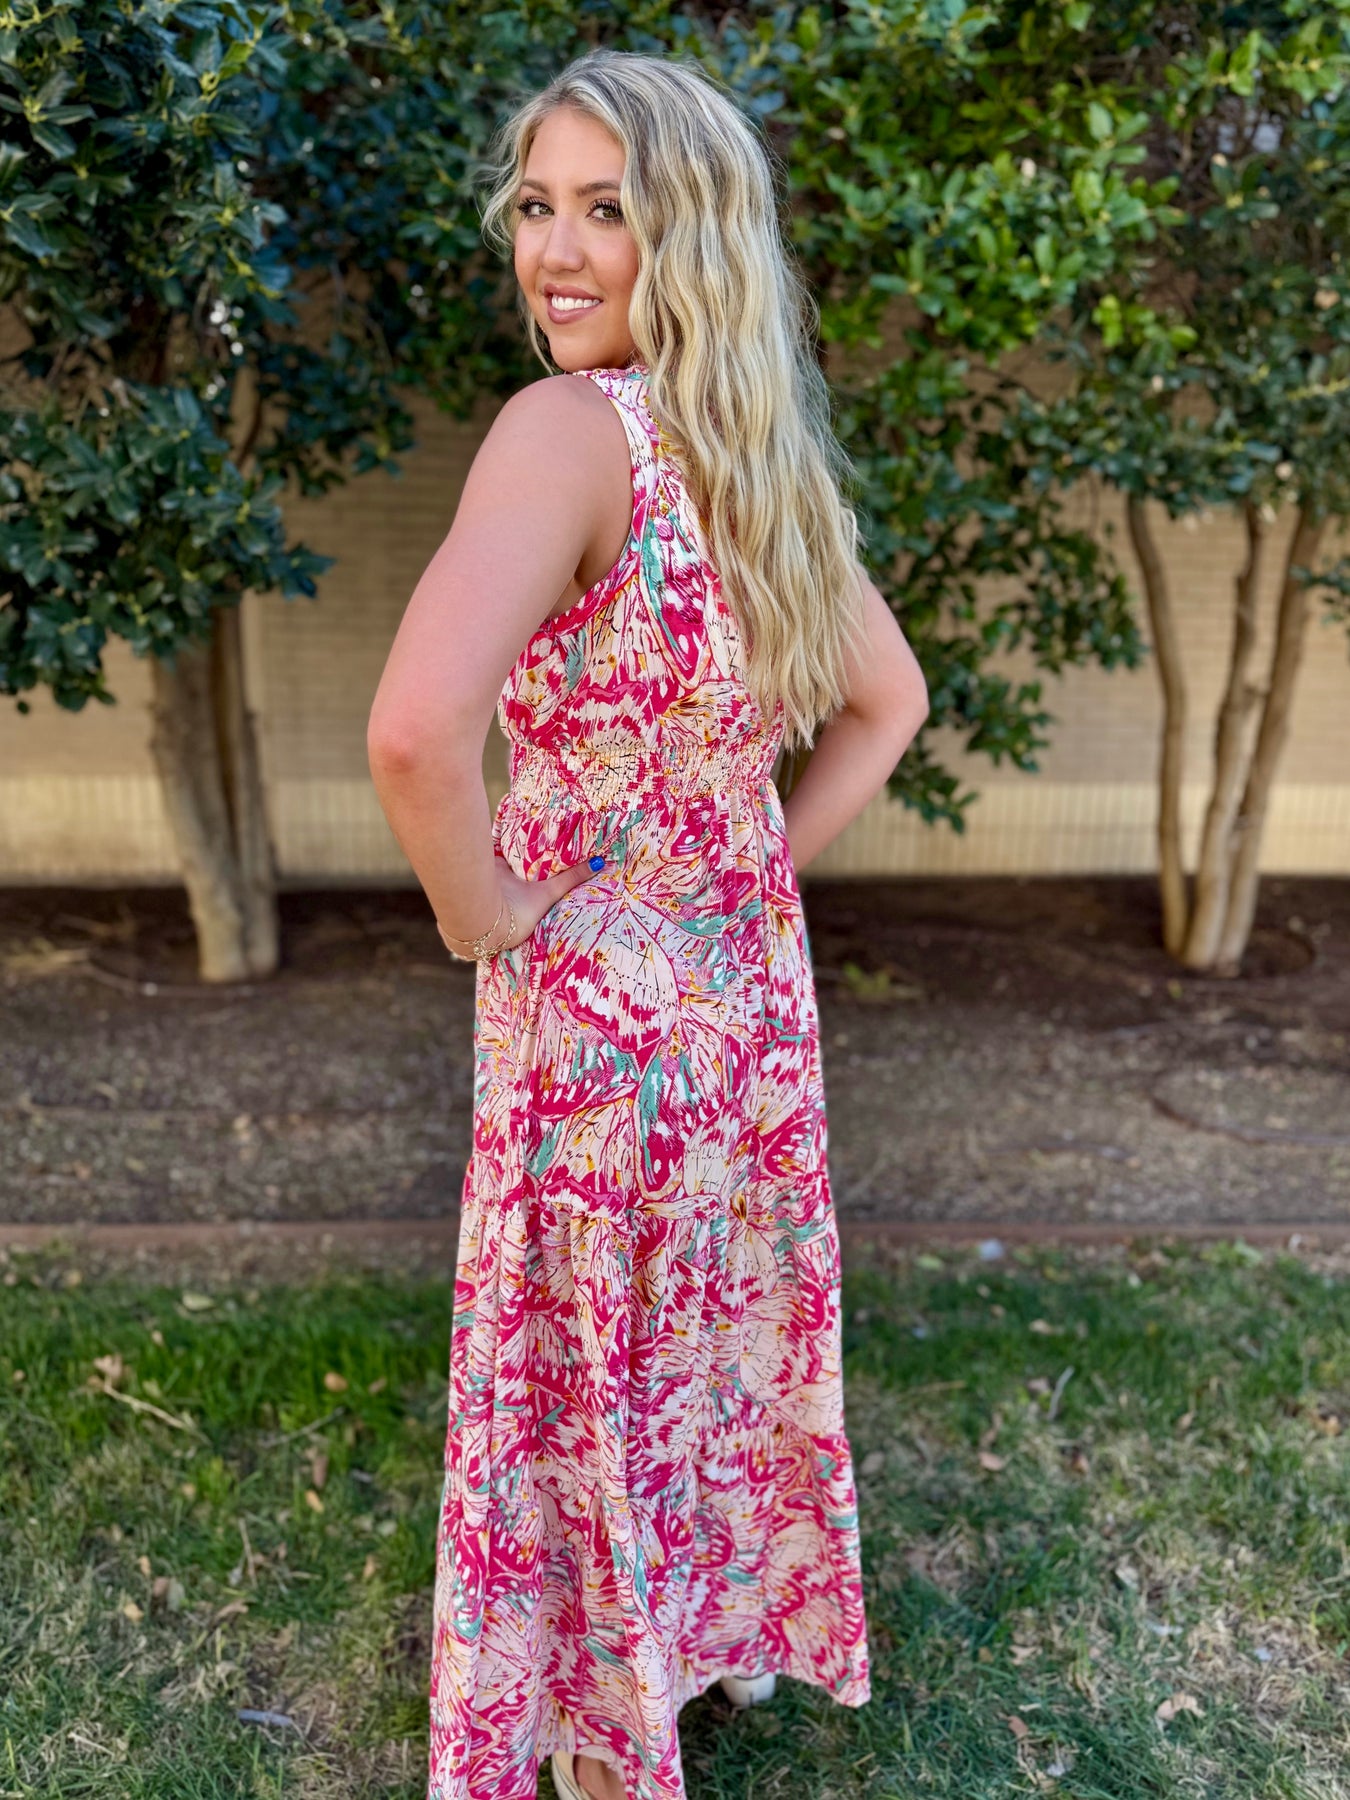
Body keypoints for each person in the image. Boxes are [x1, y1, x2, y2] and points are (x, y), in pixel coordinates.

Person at [366, 46, 929, 1800]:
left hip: (598, 1030)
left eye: (604, 209)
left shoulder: (567, 433)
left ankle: (594, 1725)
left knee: (581, 1369)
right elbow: (889, 707)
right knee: (692, 1348)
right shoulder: (746, 443)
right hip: (740, 1015)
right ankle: (689, 1649)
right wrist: (747, 873)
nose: (553, 249)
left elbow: (411, 733)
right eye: (535, 205)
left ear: (688, 235)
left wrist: (482, 916)